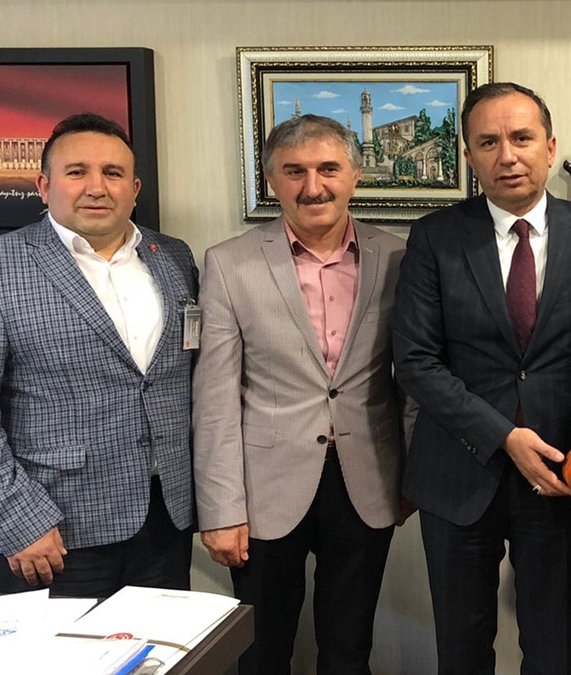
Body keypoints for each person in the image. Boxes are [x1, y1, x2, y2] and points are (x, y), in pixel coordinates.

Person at [393, 82, 571, 675]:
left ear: (550, 148)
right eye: (488, 142)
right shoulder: (434, 237)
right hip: (458, 472)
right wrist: (503, 435)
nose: (507, 155)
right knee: (461, 651)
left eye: (522, 138)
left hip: (561, 468)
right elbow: (416, 361)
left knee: (552, 650)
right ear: (469, 156)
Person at [192, 114, 407, 675]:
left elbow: (411, 379)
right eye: (295, 171)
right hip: (263, 488)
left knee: (349, 651)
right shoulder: (229, 263)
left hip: (367, 479)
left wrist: (413, 479)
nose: (313, 187)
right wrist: (220, 509)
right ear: (272, 180)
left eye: (328, 169)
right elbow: (215, 398)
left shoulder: (399, 257)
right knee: (262, 652)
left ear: (355, 175)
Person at [0, 113, 197, 596]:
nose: (96, 187)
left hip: (163, 523)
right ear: (44, 186)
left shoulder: (174, 256)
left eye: (113, 173)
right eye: (77, 172)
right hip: (51, 532)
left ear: (134, 188)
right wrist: (20, 521)